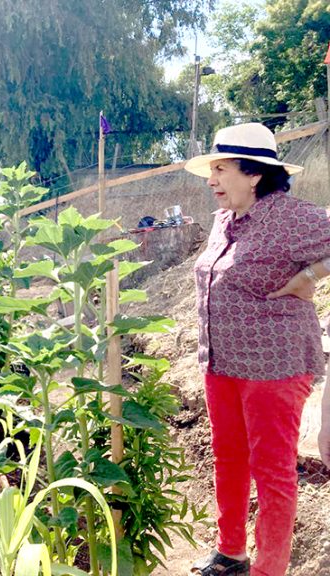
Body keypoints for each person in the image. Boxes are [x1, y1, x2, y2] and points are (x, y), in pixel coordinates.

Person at [185, 122, 330, 576]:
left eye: (220, 169)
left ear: (254, 174)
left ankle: (270, 569)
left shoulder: (292, 216)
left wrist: (311, 277)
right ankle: (231, 553)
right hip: (222, 362)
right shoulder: (223, 219)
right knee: (227, 458)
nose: (211, 180)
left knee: (272, 472)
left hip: (275, 366)